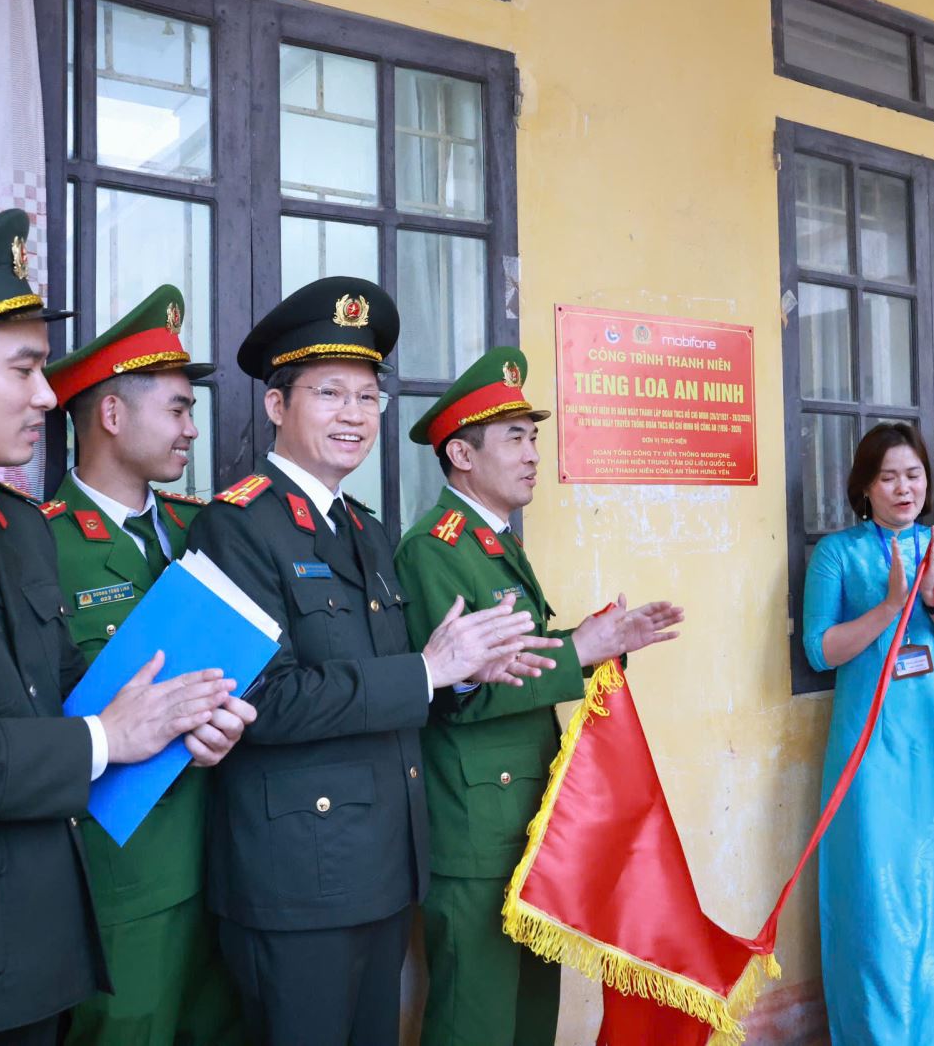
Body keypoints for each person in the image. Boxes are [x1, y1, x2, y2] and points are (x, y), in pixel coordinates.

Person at [0, 209, 247, 1046]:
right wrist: (105, 740)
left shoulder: (16, 525)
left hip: (47, 954)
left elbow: (66, 691)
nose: (47, 395)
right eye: (26, 368)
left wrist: (178, 725)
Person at [187, 277, 551, 1044]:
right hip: (296, 879)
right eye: (329, 393)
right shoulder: (236, 526)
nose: (353, 415)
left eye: (366, 396)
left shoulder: (364, 528)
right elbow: (261, 701)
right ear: (276, 405)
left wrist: (462, 672)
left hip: (381, 868)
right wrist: (428, 670)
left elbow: (391, 682)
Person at [394, 346, 684, 1046]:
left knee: (530, 1019)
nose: (532, 455)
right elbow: (458, 690)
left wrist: (598, 642)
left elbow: (515, 657)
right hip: (474, 827)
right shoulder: (433, 549)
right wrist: (576, 651)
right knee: (475, 1022)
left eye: (533, 437)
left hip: (527, 821)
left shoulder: (492, 542)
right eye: (515, 438)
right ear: (462, 454)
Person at [43, 284, 243, 1044]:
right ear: (112, 414)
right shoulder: (38, 544)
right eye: (178, 409)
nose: (192, 429)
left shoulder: (202, 529)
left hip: (226, 858)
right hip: (125, 876)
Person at [801, 421, 934, 1046]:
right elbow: (820, 650)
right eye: (889, 477)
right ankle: (882, 1032)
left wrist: (933, 604)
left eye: (914, 475)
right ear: (864, 488)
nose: (904, 488)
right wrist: (888, 608)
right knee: (876, 885)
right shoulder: (837, 554)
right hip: (870, 746)